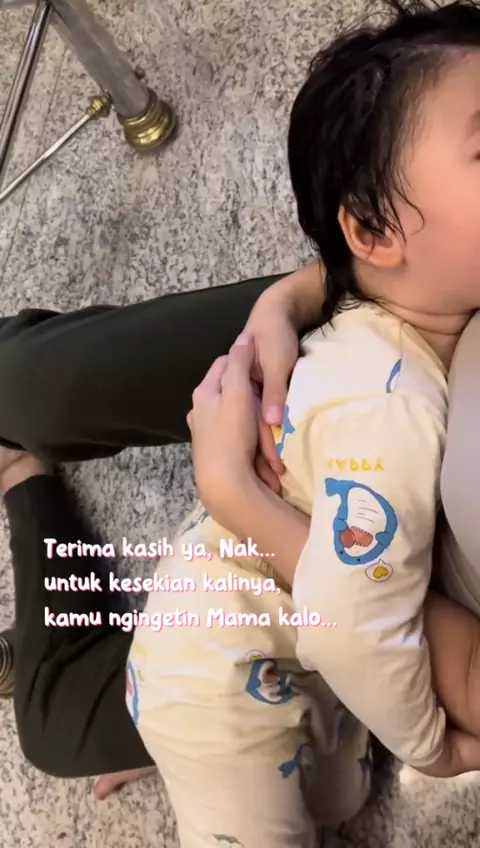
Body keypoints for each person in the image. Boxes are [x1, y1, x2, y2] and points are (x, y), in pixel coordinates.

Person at [0, 0, 478, 828]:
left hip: (234, 651)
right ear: (370, 229)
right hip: (218, 672)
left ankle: (23, 482)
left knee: (330, 788)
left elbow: (354, 627)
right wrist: (428, 743)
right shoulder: (389, 401)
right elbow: (355, 627)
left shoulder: (395, 397)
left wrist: (425, 738)